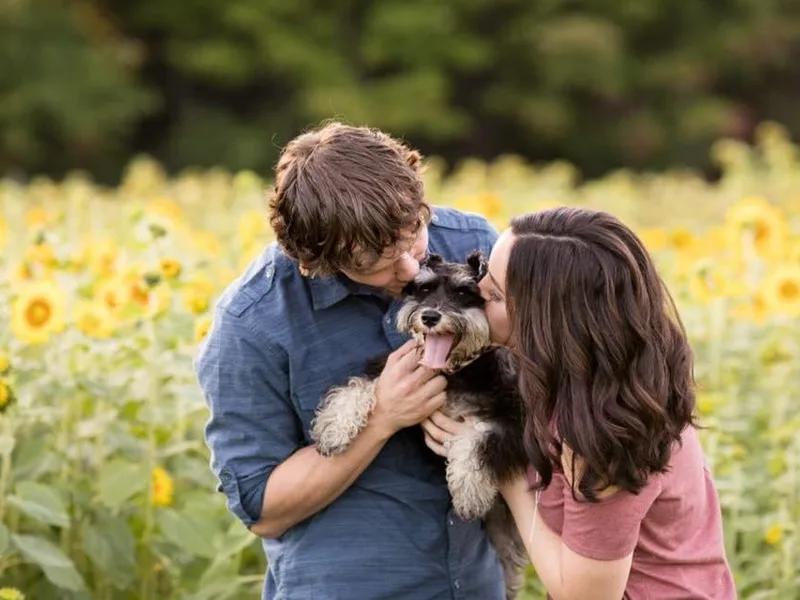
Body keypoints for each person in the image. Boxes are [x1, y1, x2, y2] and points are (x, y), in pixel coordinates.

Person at [193, 122, 506, 600]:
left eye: (414, 234)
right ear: (310, 260)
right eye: (373, 262)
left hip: (479, 585)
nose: (408, 268)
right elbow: (263, 509)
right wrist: (381, 416)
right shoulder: (251, 323)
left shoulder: (476, 244)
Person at [423, 207, 738, 599]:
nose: (478, 297)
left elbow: (584, 595)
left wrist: (506, 475)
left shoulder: (602, 430)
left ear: (547, 319)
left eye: (496, 294)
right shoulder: (603, 383)